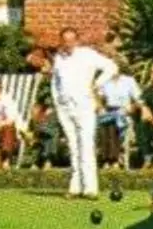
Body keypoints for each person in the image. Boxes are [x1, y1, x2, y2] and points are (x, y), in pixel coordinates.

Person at [50, 28, 117, 200]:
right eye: (65, 40)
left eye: (71, 40)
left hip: (84, 106)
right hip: (65, 107)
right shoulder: (59, 58)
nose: (68, 43)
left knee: (86, 145)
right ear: (61, 41)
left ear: (77, 41)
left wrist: (96, 84)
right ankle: (75, 187)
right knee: (73, 146)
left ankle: (90, 188)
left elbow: (112, 67)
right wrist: (57, 102)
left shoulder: (88, 55)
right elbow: (55, 83)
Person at [94, 67, 142, 169]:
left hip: (124, 112)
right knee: (106, 122)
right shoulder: (103, 81)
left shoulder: (129, 81)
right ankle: (112, 159)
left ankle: (111, 159)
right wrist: (100, 107)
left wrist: (130, 108)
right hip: (108, 111)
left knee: (113, 123)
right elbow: (98, 98)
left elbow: (140, 100)